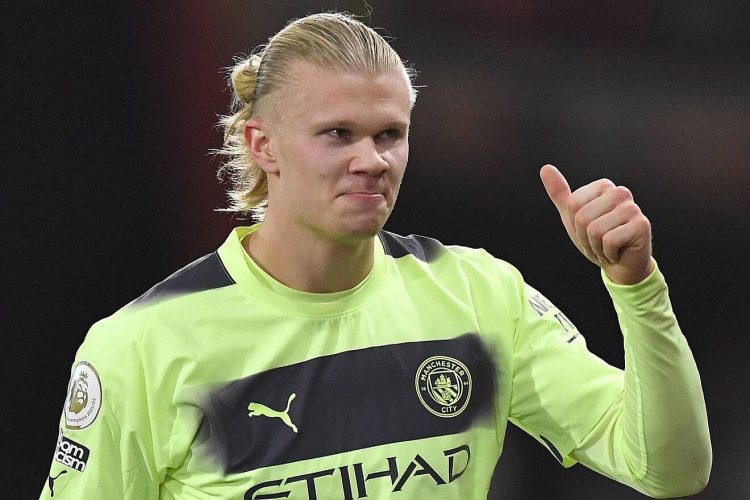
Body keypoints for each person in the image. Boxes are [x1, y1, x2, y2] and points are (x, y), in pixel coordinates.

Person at [40, 12, 711, 500]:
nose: (373, 160)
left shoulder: (477, 296)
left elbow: (669, 469)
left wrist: (636, 286)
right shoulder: (143, 345)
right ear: (262, 145)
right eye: (338, 134)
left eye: (390, 134)